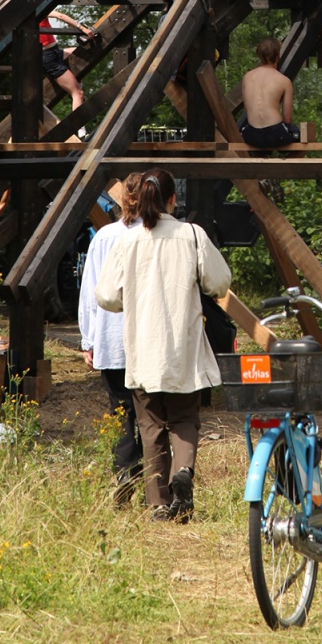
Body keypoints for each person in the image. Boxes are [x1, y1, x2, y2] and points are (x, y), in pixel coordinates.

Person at [95, 169, 232, 521]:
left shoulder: (127, 241)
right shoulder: (191, 235)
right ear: (173, 199)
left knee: (151, 424)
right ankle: (183, 474)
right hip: (183, 348)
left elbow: (107, 297)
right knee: (185, 418)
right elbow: (219, 282)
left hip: (143, 348)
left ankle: (158, 504)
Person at [78, 175, 144, 506]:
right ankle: (149, 477)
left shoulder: (104, 237)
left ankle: (122, 475)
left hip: (111, 335)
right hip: (148, 338)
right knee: (150, 411)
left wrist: (88, 339)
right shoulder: (157, 234)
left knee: (120, 410)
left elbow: (91, 290)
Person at [39, 11, 97, 138]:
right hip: (49, 57)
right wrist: (82, 28)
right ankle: (81, 131)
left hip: (55, 52)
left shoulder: (29, 11)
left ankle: (77, 81)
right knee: (78, 93)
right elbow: (60, 15)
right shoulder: (38, 9)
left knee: (81, 52)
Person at [239, 38, 299, 148]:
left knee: (245, 133)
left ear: (259, 55)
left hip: (252, 134)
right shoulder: (284, 81)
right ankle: (285, 164)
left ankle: (262, 161)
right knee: (298, 135)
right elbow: (287, 119)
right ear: (278, 56)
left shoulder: (247, 77)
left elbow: (248, 110)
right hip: (275, 133)